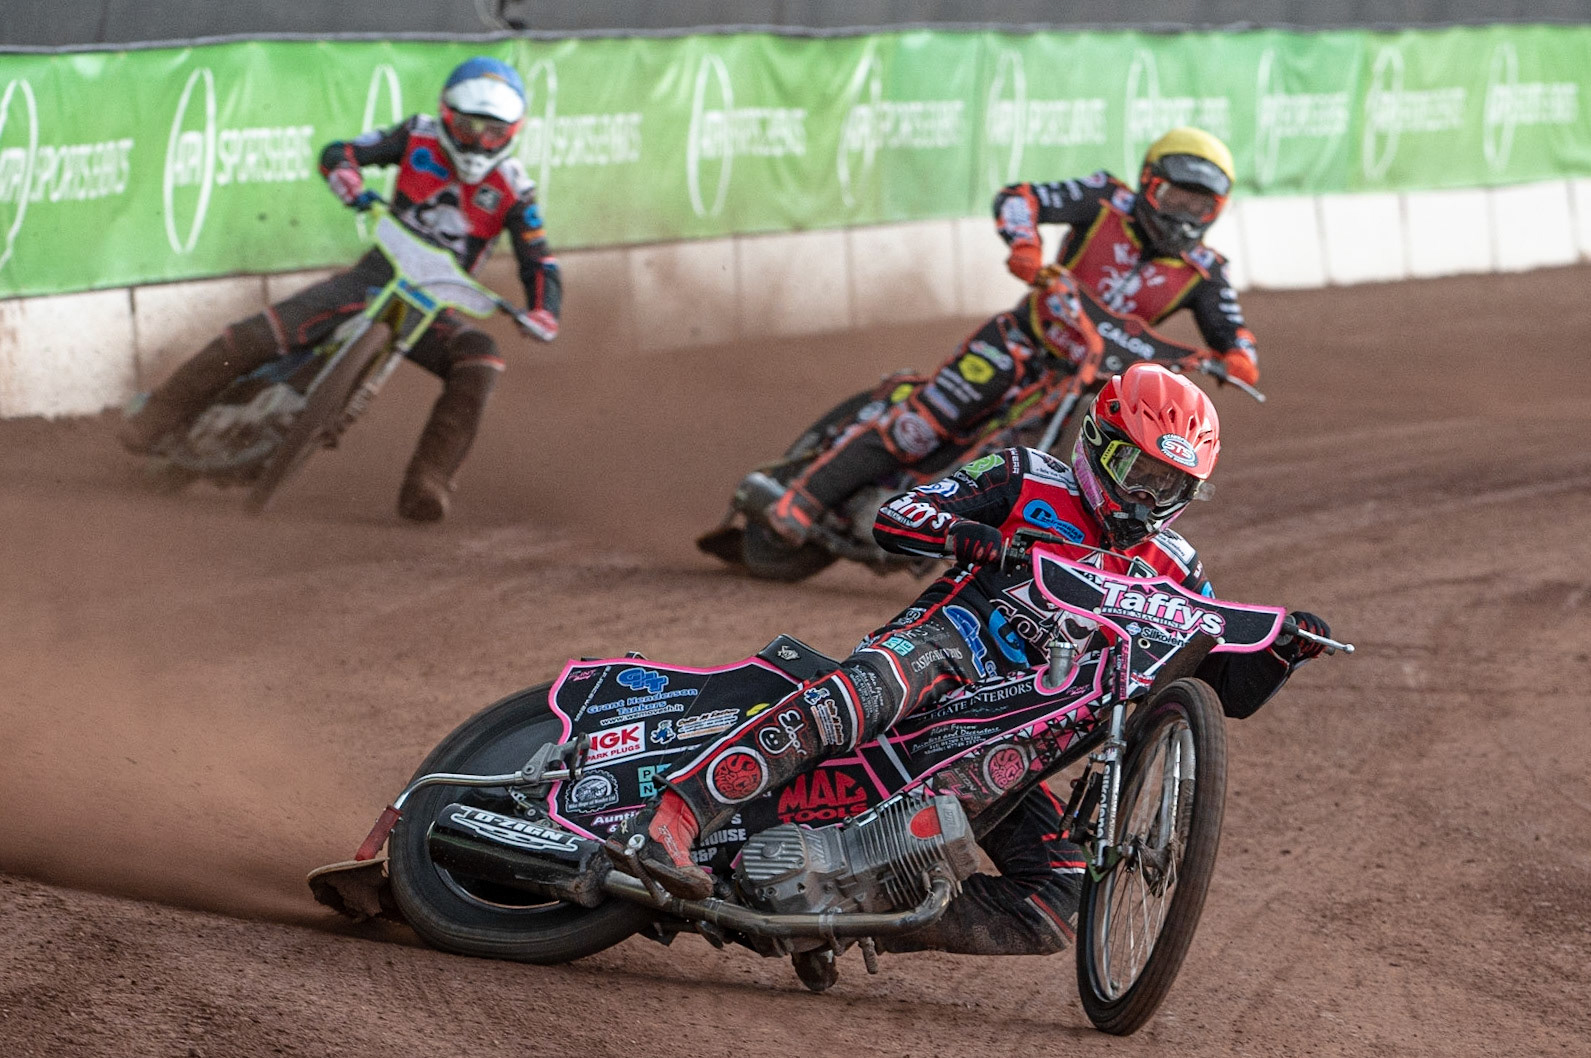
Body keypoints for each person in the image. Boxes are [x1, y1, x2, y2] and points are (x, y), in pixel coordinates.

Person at [616, 363, 1330, 956]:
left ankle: (843, 918)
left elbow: (1211, 679)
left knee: (1056, 899)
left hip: (1022, 728)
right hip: (944, 647)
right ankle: (671, 822)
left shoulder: (1175, 564)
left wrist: (1280, 654)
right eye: (1133, 469)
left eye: (1167, 485)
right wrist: (969, 535)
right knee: (865, 692)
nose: (1145, 497)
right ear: (1096, 441)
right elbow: (898, 516)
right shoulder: (1025, 473)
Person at [765, 126, 1258, 545]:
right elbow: (1020, 197)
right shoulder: (1106, 198)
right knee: (926, 423)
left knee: (1053, 469)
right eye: (1175, 199)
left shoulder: (1205, 271)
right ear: (1148, 183)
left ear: (1217, 211)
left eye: (1200, 206)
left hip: (1088, 385)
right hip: (1021, 340)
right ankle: (803, 499)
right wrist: (1025, 244)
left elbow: (1235, 332)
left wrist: (1239, 357)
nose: (1183, 217)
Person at [119, 56, 561, 522]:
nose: (478, 142)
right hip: (375, 276)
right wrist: (349, 180)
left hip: (434, 304)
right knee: (259, 335)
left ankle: (429, 481)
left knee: (482, 356)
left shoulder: (515, 191)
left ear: (513, 133)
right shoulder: (417, 135)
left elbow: (540, 261)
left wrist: (544, 312)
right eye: (468, 127)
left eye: (493, 133)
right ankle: (157, 417)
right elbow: (341, 152)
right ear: (447, 115)